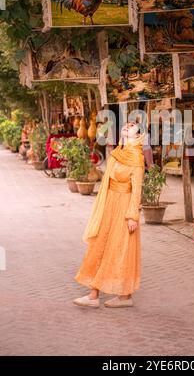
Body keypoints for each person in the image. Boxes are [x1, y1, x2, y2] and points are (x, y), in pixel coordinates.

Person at [73, 121, 145, 308]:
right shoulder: (118, 154)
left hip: (124, 208)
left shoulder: (137, 158)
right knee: (101, 244)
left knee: (120, 249)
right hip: (110, 204)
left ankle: (114, 295)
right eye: (127, 123)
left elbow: (136, 190)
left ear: (138, 135)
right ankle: (102, 295)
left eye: (134, 125)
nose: (128, 125)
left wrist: (132, 216)